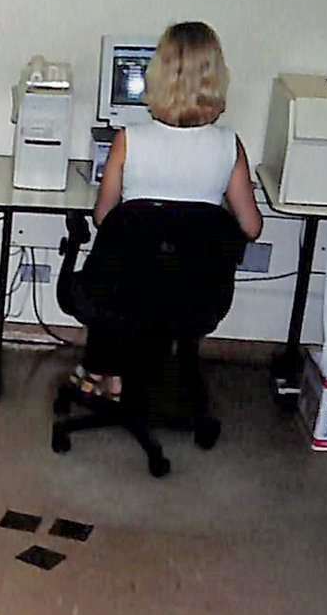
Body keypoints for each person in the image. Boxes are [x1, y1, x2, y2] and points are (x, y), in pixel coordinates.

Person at [79, 21, 264, 401]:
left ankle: (110, 374)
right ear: (216, 77)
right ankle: (129, 374)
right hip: (195, 299)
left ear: (158, 74)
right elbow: (251, 226)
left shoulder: (128, 141)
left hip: (123, 292)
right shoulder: (229, 146)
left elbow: (103, 218)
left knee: (119, 279)